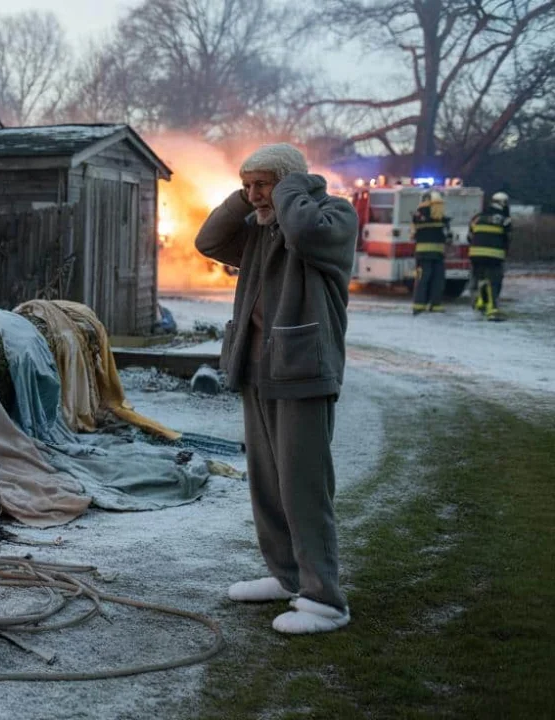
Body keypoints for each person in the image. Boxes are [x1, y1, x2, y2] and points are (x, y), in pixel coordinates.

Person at [195, 143, 357, 635]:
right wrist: (247, 199)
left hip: (304, 370)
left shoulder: (333, 216)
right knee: (267, 486)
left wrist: (286, 188)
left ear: (289, 182)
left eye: (261, 184)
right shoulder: (260, 230)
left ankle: (325, 600)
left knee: (303, 487)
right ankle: (288, 578)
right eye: (248, 185)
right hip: (258, 371)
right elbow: (208, 240)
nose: (253, 194)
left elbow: (306, 234)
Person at [468, 192, 511, 321]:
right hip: (494, 255)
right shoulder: (505, 219)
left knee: (481, 279)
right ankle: (492, 308)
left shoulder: (477, 217)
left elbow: (470, 236)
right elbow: (507, 239)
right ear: (503, 203)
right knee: (494, 281)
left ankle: (481, 302)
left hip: (475, 254)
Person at [411, 190, 450, 314]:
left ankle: (419, 304)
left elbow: (412, 235)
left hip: (422, 253)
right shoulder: (442, 218)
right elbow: (448, 236)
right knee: (437, 279)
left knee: (423, 279)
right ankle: (435, 304)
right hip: (438, 252)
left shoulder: (417, 216)